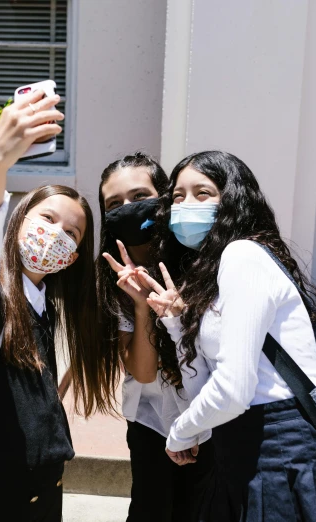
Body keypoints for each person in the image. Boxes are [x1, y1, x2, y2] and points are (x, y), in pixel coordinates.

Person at [141, 151, 316, 521]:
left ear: (232, 200)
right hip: (237, 454)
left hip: (279, 455)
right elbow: (207, 388)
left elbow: (234, 390)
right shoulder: (211, 275)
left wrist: (179, 432)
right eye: (178, 196)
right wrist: (176, 325)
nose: (186, 204)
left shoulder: (243, 257)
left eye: (202, 193)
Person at [0, 88, 118, 521]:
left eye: (71, 233)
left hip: (44, 487)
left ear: (73, 257)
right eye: (47, 219)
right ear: (18, 221)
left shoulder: (50, 307)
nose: (57, 234)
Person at [97, 152, 214, 522]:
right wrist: (142, 305)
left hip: (213, 417)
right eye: (114, 204)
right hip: (152, 424)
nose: (127, 209)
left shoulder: (203, 259)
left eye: (138, 197)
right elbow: (143, 374)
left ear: (163, 196)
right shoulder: (110, 279)